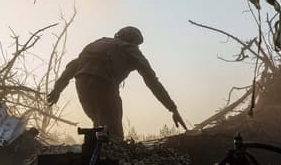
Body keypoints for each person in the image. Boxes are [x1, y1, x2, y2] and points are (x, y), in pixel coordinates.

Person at [47, 26, 186, 140]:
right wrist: (172, 108)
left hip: (82, 85)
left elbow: (72, 67)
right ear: (134, 42)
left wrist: (57, 89)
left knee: (99, 125)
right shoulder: (130, 49)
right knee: (113, 133)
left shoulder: (97, 43)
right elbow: (152, 81)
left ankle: (93, 162)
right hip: (104, 86)